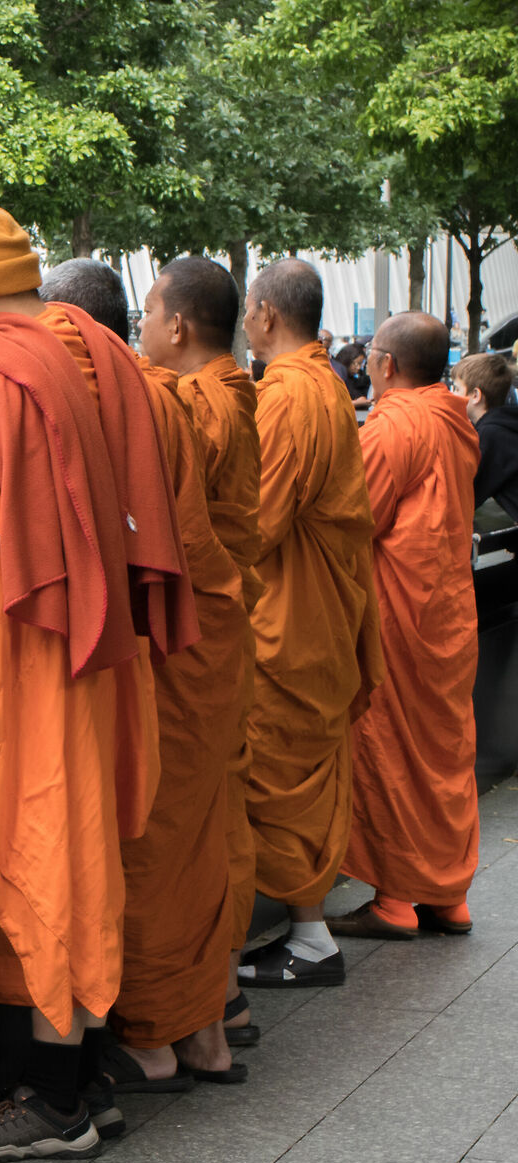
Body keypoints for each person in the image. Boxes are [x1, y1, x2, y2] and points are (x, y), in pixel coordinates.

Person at [0, 203, 197, 1163]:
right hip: (102, 648)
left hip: (29, 655)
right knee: (84, 851)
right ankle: (90, 1075)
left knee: (43, 852)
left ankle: (58, 1100)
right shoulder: (100, 354)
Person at [41, 258, 253, 1116]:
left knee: (158, 837)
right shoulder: (192, 397)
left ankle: (156, 1039)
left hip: (170, 643)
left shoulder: (138, 399)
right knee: (202, 832)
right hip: (216, 632)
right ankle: (207, 1026)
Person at [234, 259, 384, 989]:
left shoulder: (288, 395)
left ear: (263, 314)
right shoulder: (326, 383)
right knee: (301, 770)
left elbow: (258, 521)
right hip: (322, 609)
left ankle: (308, 938)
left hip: (289, 614)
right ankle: (310, 931)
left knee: (275, 770)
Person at [138, 254, 267, 1059]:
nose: (143, 330)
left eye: (147, 316)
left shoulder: (190, 407)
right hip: (224, 633)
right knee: (212, 822)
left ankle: (174, 1026)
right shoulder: (236, 395)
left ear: (176, 325)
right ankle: (217, 1007)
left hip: (188, 637)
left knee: (173, 831)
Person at [328, 314, 484, 941]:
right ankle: (449, 895)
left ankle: (395, 900)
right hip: (449, 610)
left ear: (386, 364)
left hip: (401, 616)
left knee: (395, 752)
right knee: (444, 752)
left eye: (370, 356)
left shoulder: (393, 424)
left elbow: (355, 514)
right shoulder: (454, 419)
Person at [452, 352, 518, 523]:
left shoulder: (491, 436)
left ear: (475, 395)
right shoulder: (506, 423)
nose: (452, 395)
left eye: (457, 389)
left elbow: (466, 495)